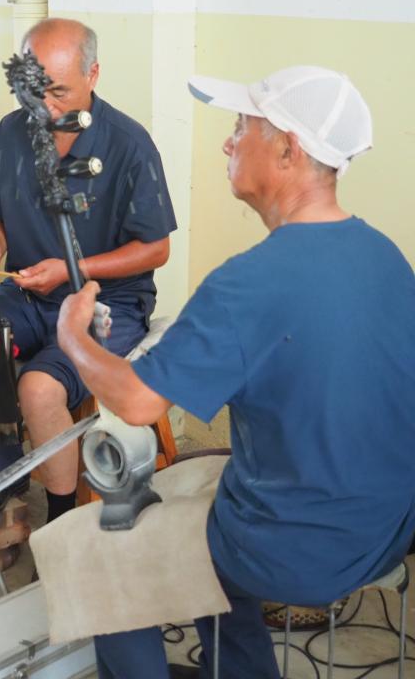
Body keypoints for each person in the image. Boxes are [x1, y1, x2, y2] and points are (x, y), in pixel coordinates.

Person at [57, 66, 415, 678]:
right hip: (386, 527)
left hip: (297, 549)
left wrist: (73, 338)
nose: (228, 142)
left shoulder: (248, 282)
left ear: (288, 150)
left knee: (96, 545)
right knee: (206, 486)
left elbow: (137, 403)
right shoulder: (385, 255)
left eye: (241, 127)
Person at [0, 18, 176, 519]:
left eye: (58, 92)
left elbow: (156, 248)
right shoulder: (11, 132)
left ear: (93, 75)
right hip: (28, 295)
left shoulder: (127, 144)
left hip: (106, 303)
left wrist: (71, 268)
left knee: (38, 388)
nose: (43, 106)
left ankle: (60, 520)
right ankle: (0, 492)